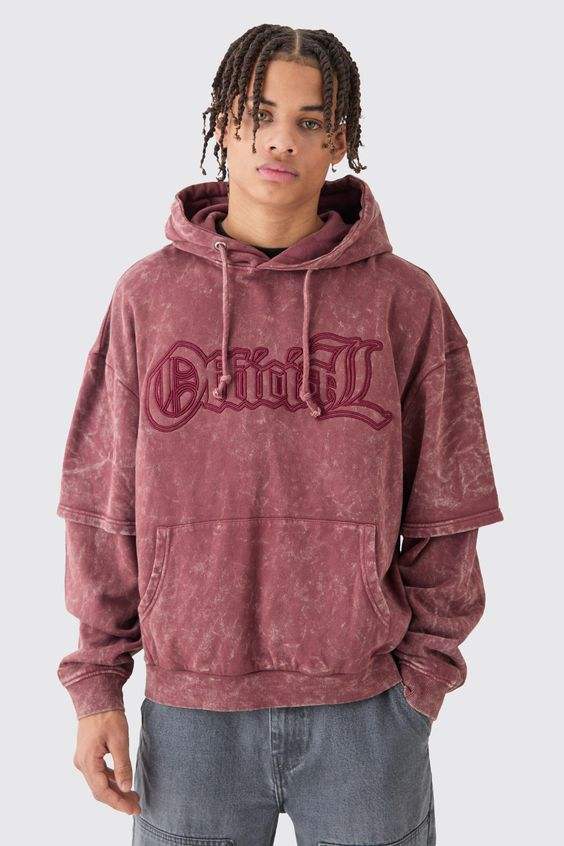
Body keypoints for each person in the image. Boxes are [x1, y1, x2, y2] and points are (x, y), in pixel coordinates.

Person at [55, 24, 504, 846]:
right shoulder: (148, 297)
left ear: (339, 140)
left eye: (308, 121)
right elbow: (100, 501)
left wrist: (421, 683)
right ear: (222, 123)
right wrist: (96, 685)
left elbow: (452, 502)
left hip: (366, 713)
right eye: (258, 114)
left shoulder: (403, 301)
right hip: (191, 714)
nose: (280, 140)